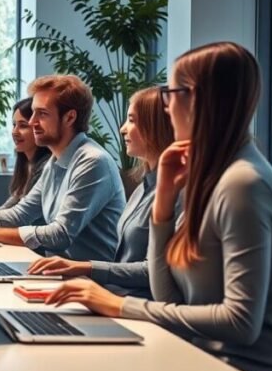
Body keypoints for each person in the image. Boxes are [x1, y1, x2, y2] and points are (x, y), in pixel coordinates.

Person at [32, 42, 272, 371]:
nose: (165, 107)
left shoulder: (244, 185)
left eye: (172, 94)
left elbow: (240, 323)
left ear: (202, 100)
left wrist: (118, 305)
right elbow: (172, 295)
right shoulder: (209, 177)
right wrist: (163, 206)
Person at [0, 75, 125, 262]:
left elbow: (60, 234)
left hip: (92, 282)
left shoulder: (92, 162)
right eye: (33, 112)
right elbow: (20, 214)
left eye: (42, 113)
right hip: (58, 272)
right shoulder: (56, 161)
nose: (32, 121)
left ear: (70, 117)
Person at [26, 86, 175, 298]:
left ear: (157, 127)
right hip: (115, 294)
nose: (123, 129)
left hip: (133, 304)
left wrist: (85, 267)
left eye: (132, 120)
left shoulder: (177, 194)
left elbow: (157, 271)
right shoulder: (143, 187)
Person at [0, 97, 52, 210]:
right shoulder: (25, 164)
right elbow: (8, 208)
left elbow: (20, 215)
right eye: (14, 125)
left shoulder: (46, 166)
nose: (14, 132)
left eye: (23, 126)